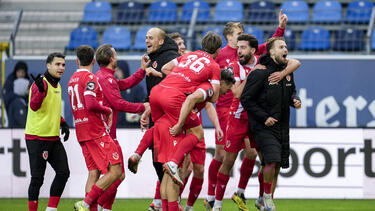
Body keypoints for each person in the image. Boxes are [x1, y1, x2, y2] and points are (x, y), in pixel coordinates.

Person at [205, 11, 288, 210]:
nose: (240, 46)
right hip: (229, 112)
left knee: (261, 157)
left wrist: (281, 28)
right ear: (229, 37)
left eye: (244, 42)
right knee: (223, 157)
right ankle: (213, 200)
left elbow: (273, 46)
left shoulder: (256, 57)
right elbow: (235, 92)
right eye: (238, 34)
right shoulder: (226, 59)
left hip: (254, 116)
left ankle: (254, 195)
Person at [149, 32, 222, 210]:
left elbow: (165, 69)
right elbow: (214, 97)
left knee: (175, 160)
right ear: (218, 50)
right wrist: (192, 88)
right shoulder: (213, 66)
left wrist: (180, 80)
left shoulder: (188, 56)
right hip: (175, 101)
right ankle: (171, 199)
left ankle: (161, 204)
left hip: (158, 93)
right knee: (195, 138)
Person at [240, 37, 302, 211]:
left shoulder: (287, 72)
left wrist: (295, 100)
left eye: (286, 46)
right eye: (281, 46)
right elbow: (246, 99)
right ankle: (267, 198)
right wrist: (263, 117)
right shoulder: (260, 73)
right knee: (272, 160)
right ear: (271, 51)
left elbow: (292, 91)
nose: (285, 49)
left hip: (282, 125)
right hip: (264, 126)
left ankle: (263, 199)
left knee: (277, 165)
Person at [128, 27, 180, 211]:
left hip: (168, 121)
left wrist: (149, 109)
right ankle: (169, 205)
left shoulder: (168, 59)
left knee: (166, 168)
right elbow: (153, 92)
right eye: (145, 38)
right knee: (160, 166)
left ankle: (171, 206)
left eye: (151, 38)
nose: (146, 41)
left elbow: (172, 88)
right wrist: (146, 108)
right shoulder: (155, 58)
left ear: (160, 41)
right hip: (157, 118)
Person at [94, 44, 150, 211]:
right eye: (115, 55)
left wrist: (141, 70)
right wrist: (143, 107)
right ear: (111, 59)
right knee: (116, 174)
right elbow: (118, 103)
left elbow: (125, 83)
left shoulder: (106, 77)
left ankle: (101, 206)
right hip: (105, 133)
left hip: (107, 132)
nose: (117, 57)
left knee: (116, 175)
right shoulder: (106, 78)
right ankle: (92, 204)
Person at [24, 52, 70, 211]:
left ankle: (51, 209)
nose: (61, 68)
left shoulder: (57, 85)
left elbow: (51, 109)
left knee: (63, 173)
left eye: (63, 65)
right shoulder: (39, 84)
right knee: (37, 179)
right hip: (37, 138)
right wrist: (40, 91)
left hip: (53, 138)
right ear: (48, 65)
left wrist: (62, 122)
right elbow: (34, 106)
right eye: (57, 64)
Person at [115, 60, 146, 128]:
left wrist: (136, 116)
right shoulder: (114, 88)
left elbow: (143, 104)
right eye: (115, 71)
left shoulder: (136, 88)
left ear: (124, 70)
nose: (116, 73)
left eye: (118, 71)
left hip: (134, 128)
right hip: (118, 127)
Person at [3, 61, 30, 127]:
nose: (20, 74)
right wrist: (20, 94)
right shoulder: (9, 82)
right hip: (14, 119)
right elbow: (6, 97)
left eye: (23, 72)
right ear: (15, 72)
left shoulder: (29, 82)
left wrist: (29, 94)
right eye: (19, 72)